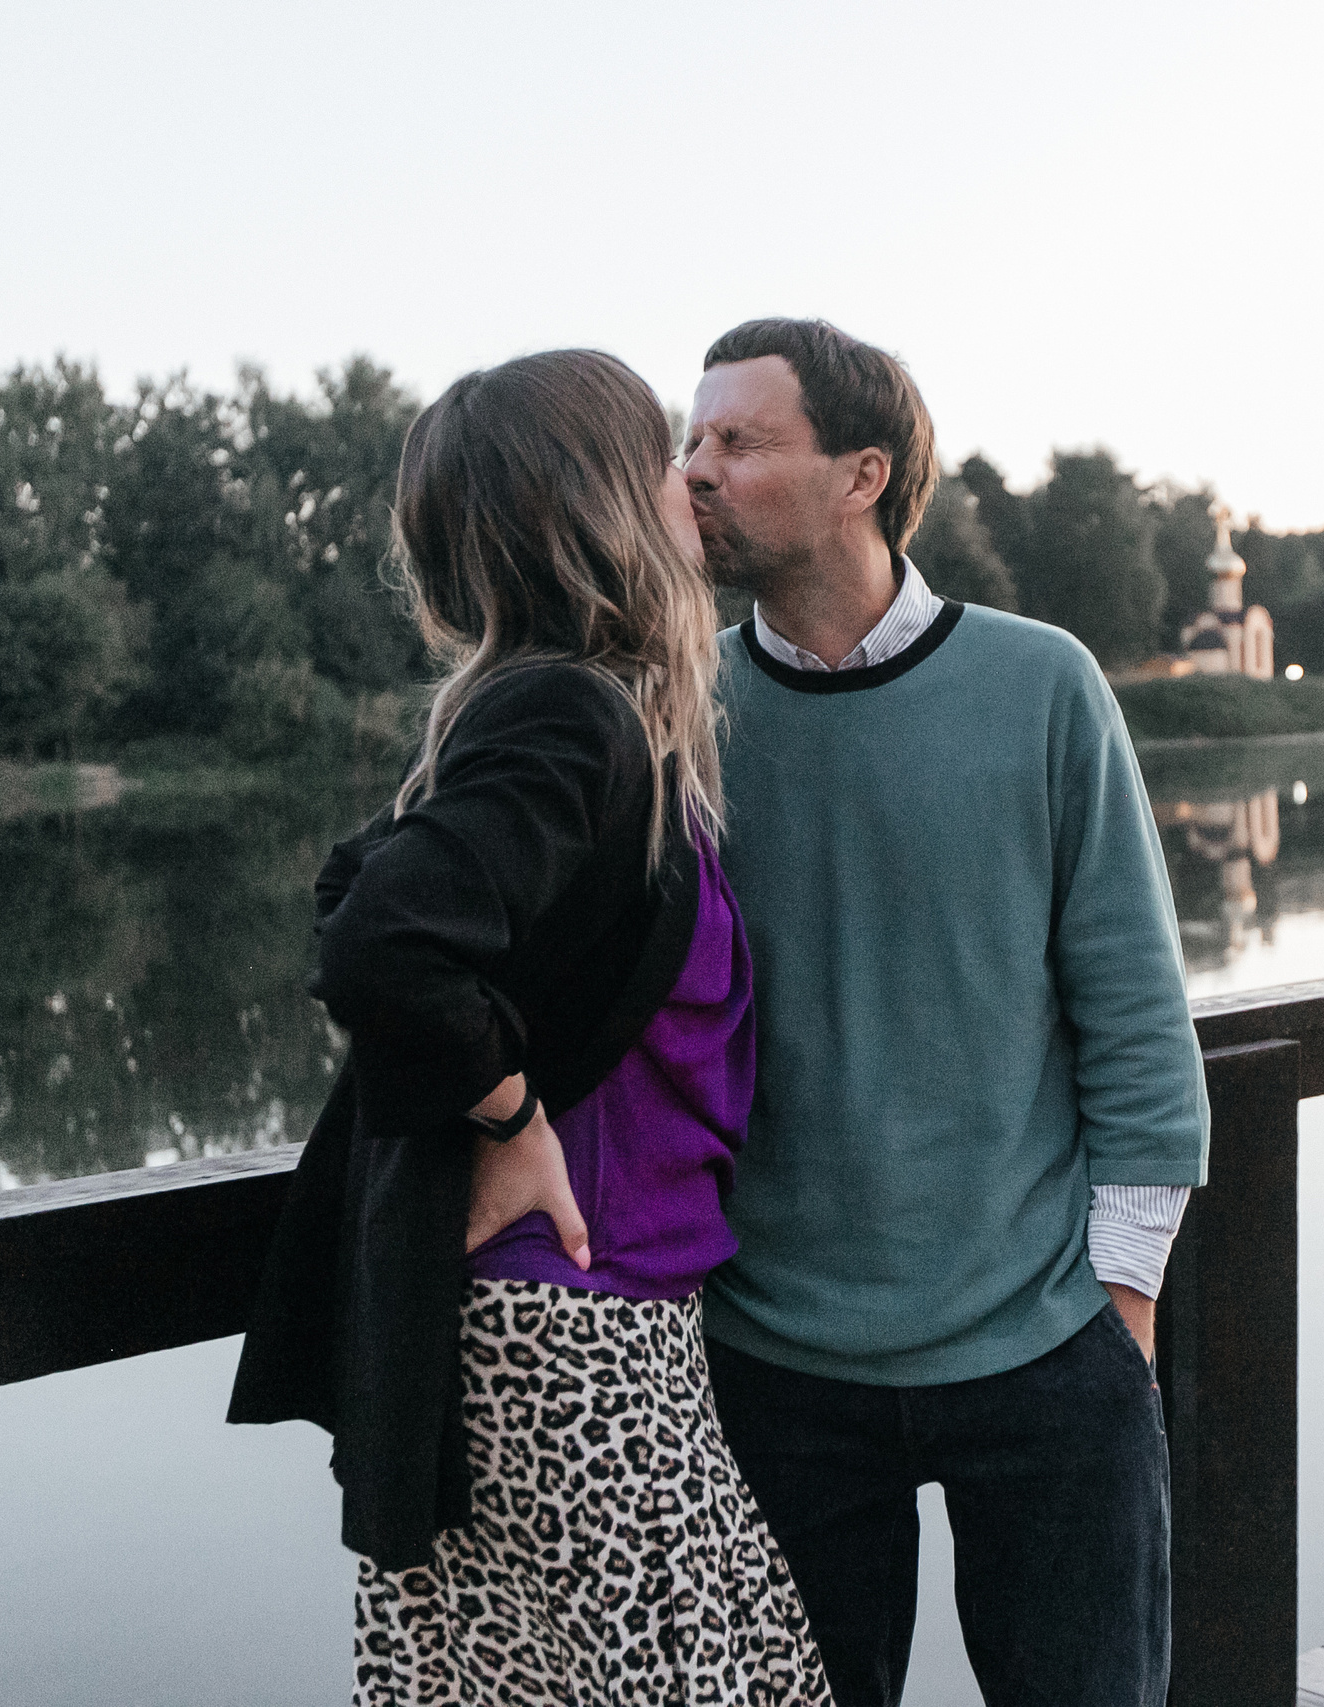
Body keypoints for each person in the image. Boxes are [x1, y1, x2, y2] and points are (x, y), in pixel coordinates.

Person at [226, 349, 832, 1707]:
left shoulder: (580, 715)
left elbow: (354, 886)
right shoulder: (571, 714)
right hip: (563, 1329)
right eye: (662, 455)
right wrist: (505, 1115)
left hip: (600, 1319)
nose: (692, 480)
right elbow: (383, 940)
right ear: (609, 500)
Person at [683, 318, 1210, 1707]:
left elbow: (1142, 1032)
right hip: (773, 1360)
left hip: (1041, 1350)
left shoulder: (1041, 685)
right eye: (692, 439)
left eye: (739, 441)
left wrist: (1119, 1313)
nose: (694, 472)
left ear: (861, 475)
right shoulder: (677, 714)